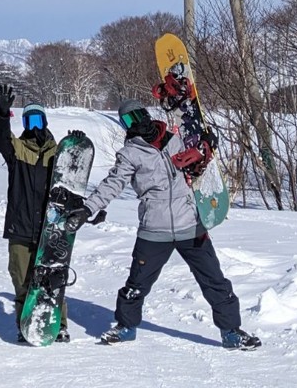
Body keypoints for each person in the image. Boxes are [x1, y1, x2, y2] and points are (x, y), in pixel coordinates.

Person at [66, 98, 261, 350]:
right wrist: (88, 208)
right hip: (154, 229)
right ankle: (125, 327)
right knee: (137, 284)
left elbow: (200, 161)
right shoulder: (130, 154)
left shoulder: (175, 140)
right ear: (124, 126)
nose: (135, 123)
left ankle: (231, 332)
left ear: (146, 114)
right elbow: (113, 183)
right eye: (128, 120)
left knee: (215, 280)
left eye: (138, 115)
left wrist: (208, 144)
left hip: (190, 224)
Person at [0, 92, 71, 342]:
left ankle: (58, 324)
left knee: (52, 279)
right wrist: (2, 114)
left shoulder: (57, 152)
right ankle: (25, 323)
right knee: (22, 278)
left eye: (38, 120)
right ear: (24, 124)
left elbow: (73, 176)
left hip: (50, 228)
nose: (34, 126)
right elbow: (1, 138)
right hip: (21, 226)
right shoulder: (17, 150)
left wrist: (75, 146)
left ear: (45, 121)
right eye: (29, 121)